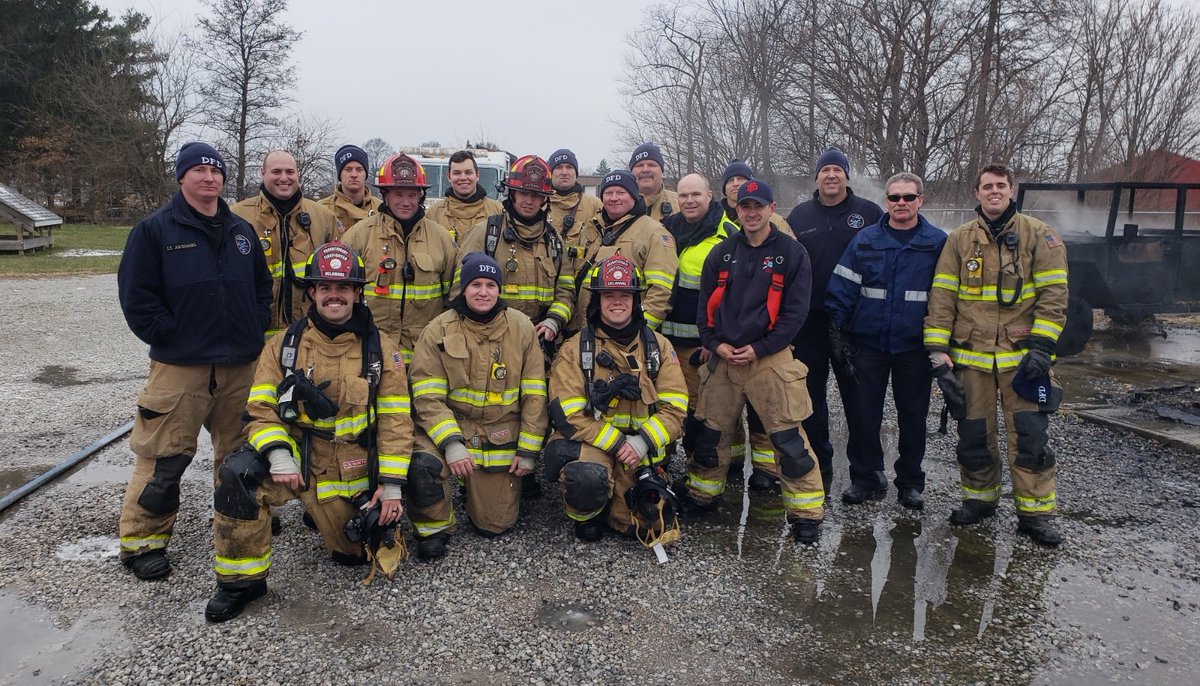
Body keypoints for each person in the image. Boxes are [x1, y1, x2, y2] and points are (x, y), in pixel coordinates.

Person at [205, 242, 413, 622]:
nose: (334, 296)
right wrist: (279, 456)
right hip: (298, 458)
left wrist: (393, 484)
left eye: (343, 288)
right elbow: (259, 409)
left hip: (353, 463)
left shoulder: (382, 349)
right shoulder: (284, 345)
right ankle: (241, 583)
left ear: (356, 292)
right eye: (325, 288)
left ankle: (322, 517)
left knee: (350, 553)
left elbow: (397, 418)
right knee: (238, 476)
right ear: (313, 292)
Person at [116, 141, 272, 581]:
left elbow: (263, 288)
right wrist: (170, 335)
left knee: (241, 456)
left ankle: (238, 532)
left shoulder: (241, 232)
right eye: (199, 171)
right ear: (182, 177)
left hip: (240, 365)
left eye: (215, 171)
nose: (209, 178)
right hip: (181, 367)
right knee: (164, 456)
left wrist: (254, 324)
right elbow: (137, 297)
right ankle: (143, 542)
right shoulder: (154, 232)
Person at [923, 163, 1068, 546]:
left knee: (1031, 436)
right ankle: (979, 500)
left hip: (1024, 359)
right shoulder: (958, 240)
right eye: (987, 186)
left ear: (1011, 190)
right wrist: (938, 354)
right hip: (971, 359)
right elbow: (941, 299)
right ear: (977, 192)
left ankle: (1035, 515)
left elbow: (1055, 297)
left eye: (1000, 185)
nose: (994, 192)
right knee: (974, 434)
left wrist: (1042, 346)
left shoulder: (1040, 236)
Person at [687, 179, 825, 544]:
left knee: (788, 441)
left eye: (758, 206)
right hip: (724, 359)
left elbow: (796, 314)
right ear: (737, 210)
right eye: (745, 207)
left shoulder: (792, 254)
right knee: (710, 436)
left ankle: (806, 513)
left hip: (771, 359)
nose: (751, 213)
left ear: (771, 209)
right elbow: (704, 310)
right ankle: (703, 496)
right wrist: (715, 344)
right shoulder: (722, 253)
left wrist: (761, 348)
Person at [545, 254, 689, 543]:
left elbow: (676, 408)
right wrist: (619, 442)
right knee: (586, 479)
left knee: (638, 526)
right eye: (609, 295)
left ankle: (618, 502)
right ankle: (586, 515)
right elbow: (567, 413)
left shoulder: (658, 347)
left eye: (625, 294)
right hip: (595, 446)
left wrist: (642, 441)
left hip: (640, 450)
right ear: (597, 301)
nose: (617, 302)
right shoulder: (576, 349)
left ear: (637, 300)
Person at [825, 172, 946, 509]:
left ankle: (910, 482)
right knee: (863, 414)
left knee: (913, 416)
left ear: (921, 200)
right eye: (894, 198)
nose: (901, 203)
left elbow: (949, 296)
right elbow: (842, 286)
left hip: (913, 347)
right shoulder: (866, 240)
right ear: (886, 202)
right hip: (869, 344)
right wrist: (838, 332)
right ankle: (865, 477)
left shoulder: (937, 243)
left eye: (909, 197)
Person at [409, 253, 548, 544]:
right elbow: (426, 397)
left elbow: (535, 394)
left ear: (499, 289)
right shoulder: (438, 330)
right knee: (422, 467)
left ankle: (482, 489)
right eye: (475, 285)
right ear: (463, 288)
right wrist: (451, 443)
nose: (483, 292)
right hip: (453, 427)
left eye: (490, 285)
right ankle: (436, 525)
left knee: (494, 525)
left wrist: (527, 451)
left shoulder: (521, 327)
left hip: (499, 432)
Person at [661, 174, 778, 493]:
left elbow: (743, 292)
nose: (688, 201)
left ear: (710, 196)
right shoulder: (666, 231)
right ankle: (711, 467)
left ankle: (714, 472)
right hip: (667, 343)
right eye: (683, 195)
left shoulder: (728, 233)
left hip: (706, 345)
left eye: (695, 194)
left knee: (708, 415)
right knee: (677, 408)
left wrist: (723, 339)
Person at [785, 148, 883, 494]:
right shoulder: (799, 215)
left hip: (854, 323)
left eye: (837, 170)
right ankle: (819, 466)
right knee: (810, 399)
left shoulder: (869, 213)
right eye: (824, 170)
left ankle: (866, 475)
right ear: (816, 177)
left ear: (846, 176)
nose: (831, 175)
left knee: (860, 400)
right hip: (809, 321)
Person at [341, 153, 457, 366]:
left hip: (425, 352)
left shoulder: (441, 238)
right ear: (385, 195)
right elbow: (342, 293)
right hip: (370, 348)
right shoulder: (358, 236)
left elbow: (453, 298)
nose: (406, 202)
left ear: (421, 196)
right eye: (398, 194)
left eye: (412, 195)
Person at [452, 155, 567, 335]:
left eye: (536, 195)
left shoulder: (554, 240)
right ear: (512, 193)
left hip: (538, 337)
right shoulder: (486, 233)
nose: (529, 201)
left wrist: (554, 320)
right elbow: (459, 289)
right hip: (491, 334)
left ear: (544, 199)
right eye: (523, 193)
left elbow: (565, 290)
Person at [555, 169, 678, 335]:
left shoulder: (655, 234)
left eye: (621, 192)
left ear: (634, 196)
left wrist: (635, 332)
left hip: (625, 337)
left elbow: (662, 294)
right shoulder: (590, 230)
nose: (614, 198)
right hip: (584, 333)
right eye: (608, 192)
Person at [231, 150, 339, 337]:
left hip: (311, 334)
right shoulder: (236, 217)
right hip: (252, 335)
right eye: (276, 172)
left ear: (298, 174)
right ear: (263, 173)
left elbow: (338, 275)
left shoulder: (324, 217)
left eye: (290, 172)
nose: (284, 178)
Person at [425, 150, 504, 241]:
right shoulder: (432, 215)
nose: (463, 178)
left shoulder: (498, 213)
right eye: (457, 173)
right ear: (449, 177)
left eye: (468, 172)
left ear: (477, 175)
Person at [319, 144, 382, 235]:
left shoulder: (381, 209)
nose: (354, 175)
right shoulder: (322, 210)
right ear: (340, 174)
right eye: (348, 169)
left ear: (366, 174)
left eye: (359, 170)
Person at [719, 159, 792, 236]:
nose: (735, 183)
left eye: (740, 178)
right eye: (730, 180)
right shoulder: (714, 219)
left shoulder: (776, 222)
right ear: (724, 188)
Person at [546, 148, 602, 236]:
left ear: (576, 173)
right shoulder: (539, 204)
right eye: (558, 167)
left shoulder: (594, 205)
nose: (564, 172)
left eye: (569, 167)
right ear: (550, 174)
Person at [629, 142, 680, 221]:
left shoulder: (680, 204)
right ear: (631, 172)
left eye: (651, 165)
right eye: (640, 165)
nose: (645, 170)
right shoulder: (614, 204)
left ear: (662, 171)